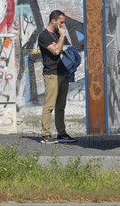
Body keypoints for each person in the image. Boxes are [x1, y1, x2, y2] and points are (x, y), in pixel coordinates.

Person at [37, 10, 76, 144]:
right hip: (51, 74)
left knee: (61, 105)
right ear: (53, 20)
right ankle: (46, 134)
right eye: (61, 22)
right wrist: (62, 36)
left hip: (62, 73)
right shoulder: (44, 36)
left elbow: (64, 50)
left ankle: (62, 133)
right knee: (49, 105)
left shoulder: (57, 34)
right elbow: (56, 51)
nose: (62, 25)